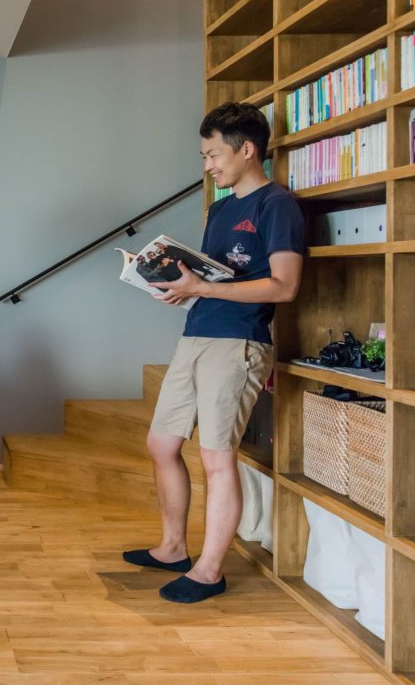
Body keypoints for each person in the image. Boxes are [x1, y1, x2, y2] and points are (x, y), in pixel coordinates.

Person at [123, 102, 304, 604]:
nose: (207, 166)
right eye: (204, 156)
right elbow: (212, 279)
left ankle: (209, 571)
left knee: (216, 456)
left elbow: (284, 286)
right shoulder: (221, 210)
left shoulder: (277, 205)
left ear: (247, 150)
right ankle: (172, 548)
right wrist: (179, 286)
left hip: (240, 341)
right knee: (161, 444)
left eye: (213, 155)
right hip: (197, 333)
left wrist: (201, 287)